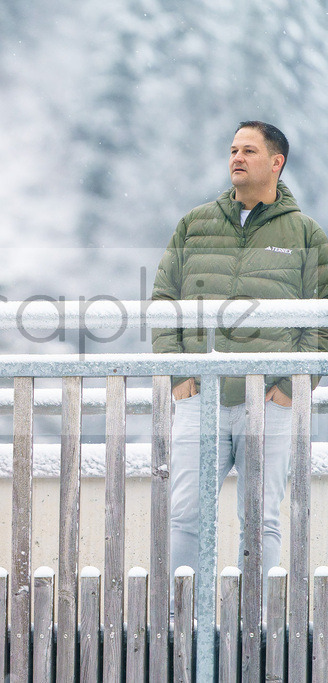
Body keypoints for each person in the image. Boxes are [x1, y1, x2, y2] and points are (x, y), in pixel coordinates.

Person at [151, 120, 328, 583]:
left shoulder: (307, 235)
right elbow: (164, 300)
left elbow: (322, 316)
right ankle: (180, 621)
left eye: (248, 150)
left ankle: (258, 628)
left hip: (269, 401)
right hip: (199, 396)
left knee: (261, 518)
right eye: (233, 149)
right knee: (185, 514)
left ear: (276, 162)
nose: (236, 157)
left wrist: (293, 383)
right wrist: (177, 371)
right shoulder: (194, 224)